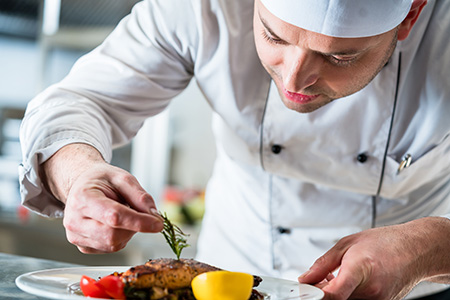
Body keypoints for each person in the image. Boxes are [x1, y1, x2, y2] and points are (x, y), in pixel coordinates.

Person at [19, 0, 450, 299]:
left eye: (339, 58)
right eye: (274, 37)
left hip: (409, 291)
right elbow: (80, 101)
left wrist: (429, 247)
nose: (295, 81)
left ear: (410, 16)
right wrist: (79, 175)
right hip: (227, 285)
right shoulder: (206, 8)